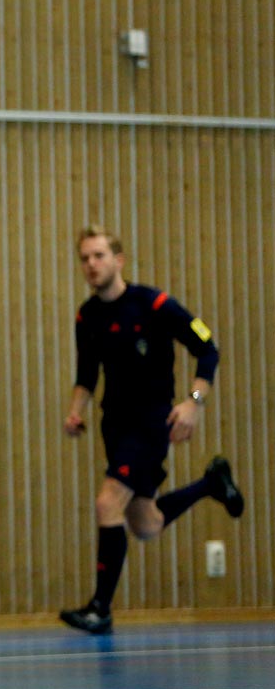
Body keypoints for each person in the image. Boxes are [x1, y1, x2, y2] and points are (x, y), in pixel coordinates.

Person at [59, 226, 244, 635]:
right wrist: (75, 413)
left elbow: (207, 346)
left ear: (119, 259)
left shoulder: (154, 303)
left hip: (150, 423)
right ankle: (211, 483)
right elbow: (86, 374)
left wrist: (193, 403)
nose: (91, 264)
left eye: (99, 255)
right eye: (85, 258)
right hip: (115, 425)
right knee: (146, 525)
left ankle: (100, 609)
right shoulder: (86, 316)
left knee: (107, 503)